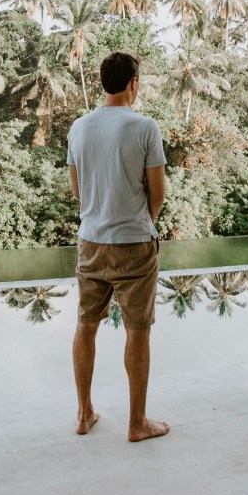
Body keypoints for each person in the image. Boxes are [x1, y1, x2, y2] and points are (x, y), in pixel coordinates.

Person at [66, 51, 170, 442]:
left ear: (102, 82)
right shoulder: (145, 127)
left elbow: (78, 191)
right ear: (133, 83)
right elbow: (156, 194)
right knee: (137, 330)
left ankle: (83, 413)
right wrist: (142, 224)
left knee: (85, 324)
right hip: (133, 245)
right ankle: (137, 422)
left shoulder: (79, 127)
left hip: (91, 241)